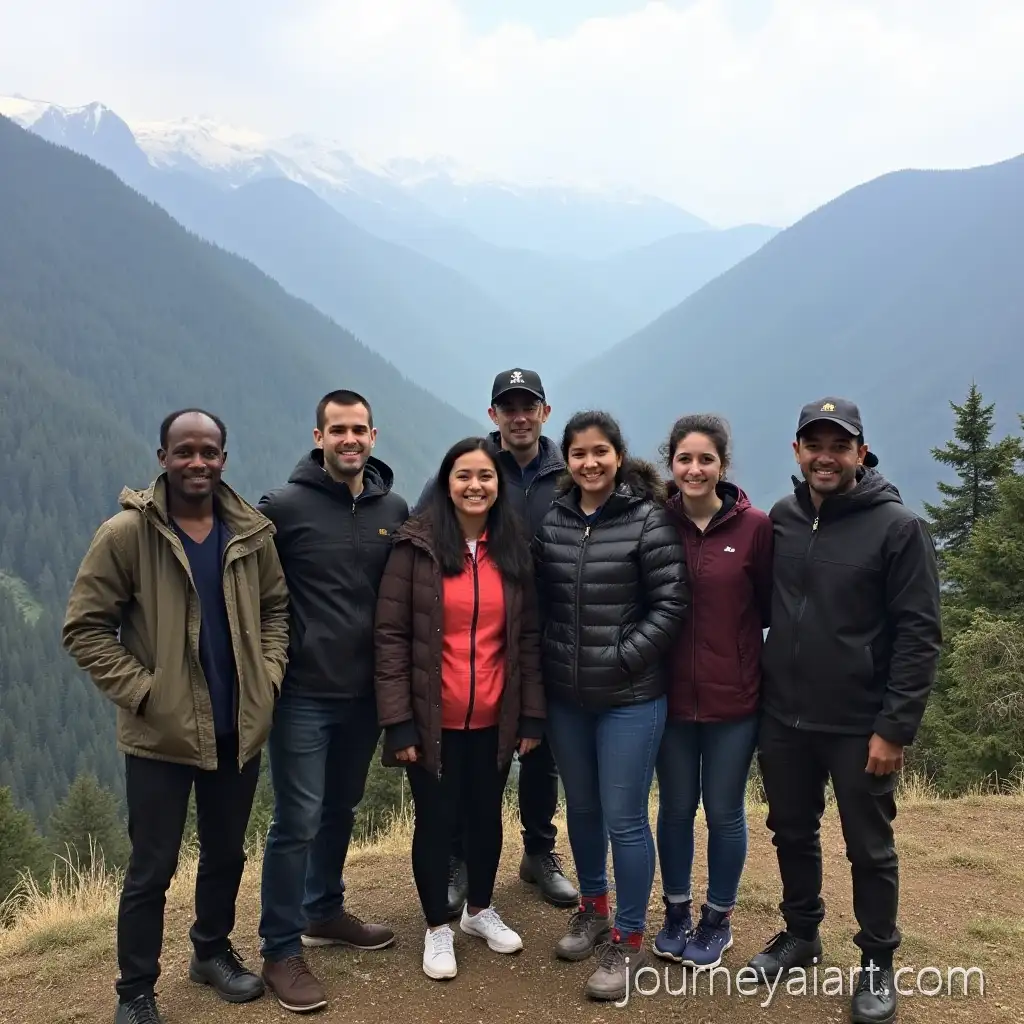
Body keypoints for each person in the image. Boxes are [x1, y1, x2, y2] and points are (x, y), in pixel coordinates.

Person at [61, 409, 290, 1024]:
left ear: (224, 458)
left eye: (208, 451)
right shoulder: (126, 535)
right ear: (162, 458)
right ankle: (135, 991)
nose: (197, 462)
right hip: (160, 736)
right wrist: (146, 694)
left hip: (236, 727)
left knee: (226, 853)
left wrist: (267, 679)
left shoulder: (250, 533)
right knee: (151, 868)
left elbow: (276, 610)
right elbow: (85, 628)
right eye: (184, 451)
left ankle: (210, 952)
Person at [748, 397, 942, 1024]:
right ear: (797, 451)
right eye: (815, 445)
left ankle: (877, 961)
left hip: (860, 725)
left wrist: (894, 728)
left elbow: (919, 635)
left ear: (861, 452)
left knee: (869, 848)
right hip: (783, 716)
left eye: (839, 446)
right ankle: (802, 934)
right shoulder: (782, 518)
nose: (825, 458)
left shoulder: (898, 528)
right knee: (790, 831)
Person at [257, 390, 409, 1013]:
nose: (350, 439)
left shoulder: (392, 508)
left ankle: (323, 910)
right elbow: (253, 595)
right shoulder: (282, 508)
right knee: (297, 820)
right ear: (318, 436)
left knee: (340, 807)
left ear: (374, 436)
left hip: (366, 694)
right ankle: (279, 948)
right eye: (337, 429)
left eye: (359, 429)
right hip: (302, 694)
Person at [375, 436, 547, 980]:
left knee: (485, 817)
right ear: (446, 484)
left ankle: (478, 910)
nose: (475, 486)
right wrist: (398, 721)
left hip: (495, 717)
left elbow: (527, 639)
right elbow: (391, 637)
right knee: (436, 821)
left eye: (486, 476)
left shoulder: (513, 549)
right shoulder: (416, 549)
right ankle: (437, 927)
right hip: (432, 720)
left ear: (499, 486)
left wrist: (531, 715)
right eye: (464, 476)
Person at [532, 410, 689, 1002]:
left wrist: (622, 658)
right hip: (568, 699)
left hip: (630, 698)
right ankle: (593, 908)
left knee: (624, 818)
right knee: (583, 809)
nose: (590, 462)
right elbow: (540, 603)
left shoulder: (648, 519)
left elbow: (671, 606)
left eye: (600, 451)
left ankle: (628, 936)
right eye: (578, 453)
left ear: (618, 456)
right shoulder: (555, 520)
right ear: (567, 460)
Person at [414, 368, 578, 913]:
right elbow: (421, 534)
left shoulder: (567, 474)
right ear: (493, 415)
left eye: (529, 406)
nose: (519, 416)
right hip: (481, 641)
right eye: (509, 407)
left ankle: (539, 852)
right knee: (468, 760)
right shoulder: (474, 469)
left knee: (540, 752)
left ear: (545, 412)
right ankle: (460, 859)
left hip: (554, 636)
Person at [652, 414, 774, 970]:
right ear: (671, 464)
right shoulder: (655, 523)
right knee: (676, 808)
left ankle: (717, 920)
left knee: (725, 811)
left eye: (706, 459)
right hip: (670, 697)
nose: (695, 469)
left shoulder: (756, 528)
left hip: (735, 700)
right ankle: (676, 912)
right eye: (685, 459)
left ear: (723, 465)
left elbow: (767, 606)